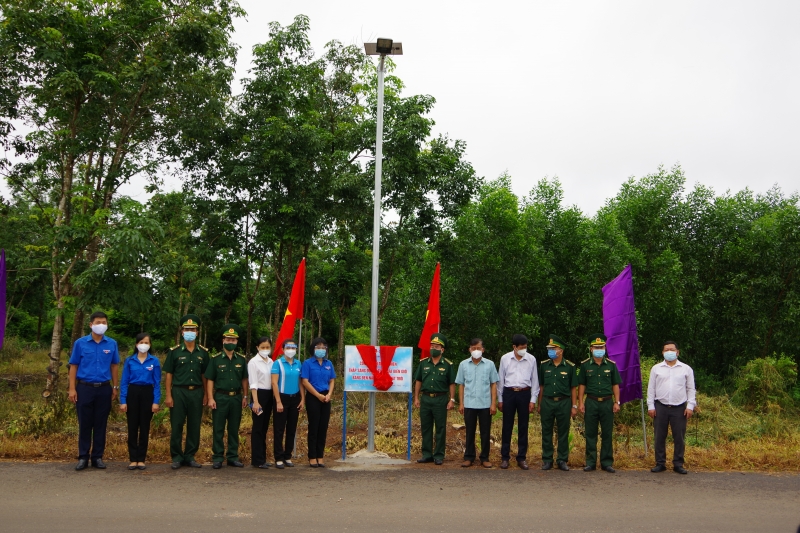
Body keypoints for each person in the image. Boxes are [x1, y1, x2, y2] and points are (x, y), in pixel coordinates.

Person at [68, 311, 120, 471]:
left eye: (104, 322)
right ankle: (83, 456)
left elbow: (114, 366)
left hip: (104, 388)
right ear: (91, 324)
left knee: (100, 424)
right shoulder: (80, 343)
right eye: (98, 322)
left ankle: (97, 457)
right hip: (84, 388)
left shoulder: (111, 344)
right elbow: (74, 366)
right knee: (85, 423)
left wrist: (115, 387)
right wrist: (72, 388)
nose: (101, 325)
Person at [163, 314, 209, 470]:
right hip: (178, 392)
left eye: (193, 329)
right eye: (187, 329)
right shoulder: (174, 352)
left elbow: (205, 375)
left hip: (196, 392)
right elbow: (169, 374)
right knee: (176, 425)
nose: (190, 331)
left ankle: (190, 456)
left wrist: (206, 395)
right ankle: (176, 456)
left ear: (197, 332)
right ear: (182, 332)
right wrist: (168, 395)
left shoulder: (203, 352)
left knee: (194, 425)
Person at [647, 340, 696, 475]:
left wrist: (690, 406)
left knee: (679, 437)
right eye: (666, 350)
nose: (669, 352)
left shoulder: (686, 369)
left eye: (672, 350)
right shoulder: (656, 368)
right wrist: (651, 406)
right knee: (659, 436)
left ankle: (678, 463)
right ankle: (660, 463)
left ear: (677, 352)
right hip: (660, 406)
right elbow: (651, 389)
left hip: (679, 407)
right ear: (662, 353)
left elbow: (691, 389)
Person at [206, 324, 249, 469]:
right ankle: (217, 457)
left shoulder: (241, 360)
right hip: (220, 397)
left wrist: (245, 396)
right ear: (223, 340)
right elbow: (210, 379)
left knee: (233, 429)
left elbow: (244, 379)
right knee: (218, 428)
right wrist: (211, 398)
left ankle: (232, 456)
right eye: (228, 339)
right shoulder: (216, 359)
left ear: (237, 342)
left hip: (236, 398)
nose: (231, 342)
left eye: (233, 340)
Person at [578, 334, 621, 473]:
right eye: (596, 347)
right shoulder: (585, 365)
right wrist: (580, 402)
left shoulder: (611, 365)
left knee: (607, 433)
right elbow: (582, 385)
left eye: (601, 347)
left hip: (607, 402)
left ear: (605, 348)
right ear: (591, 349)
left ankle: (606, 462)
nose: (599, 349)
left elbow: (615, 385)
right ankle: (590, 462)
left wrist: (617, 402)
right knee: (590, 433)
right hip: (591, 402)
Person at [497, 333, 539, 470]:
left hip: (524, 393)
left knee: (523, 426)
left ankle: (521, 458)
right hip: (509, 393)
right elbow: (500, 380)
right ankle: (505, 458)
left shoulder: (531, 359)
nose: (523, 349)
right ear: (514, 347)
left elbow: (535, 381)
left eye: (525, 347)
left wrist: (533, 400)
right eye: (521, 347)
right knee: (507, 426)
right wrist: (500, 399)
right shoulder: (505, 359)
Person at [119, 332, 161, 470]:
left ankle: (141, 459)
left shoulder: (154, 361)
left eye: (146, 342)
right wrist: (123, 400)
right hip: (133, 393)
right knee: (132, 427)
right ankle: (133, 459)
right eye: (141, 342)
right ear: (136, 344)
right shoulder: (130, 360)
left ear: (150, 345)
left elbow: (157, 383)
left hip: (147, 393)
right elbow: (124, 381)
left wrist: (156, 401)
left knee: (144, 427)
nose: (144, 345)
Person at [455, 338, 498, 468]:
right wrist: (461, 403)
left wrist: (493, 403)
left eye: (478, 348)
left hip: (485, 404)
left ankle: (484, 458)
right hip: (469, 403)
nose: (476, 351)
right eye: (473, 348)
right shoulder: (463, 364)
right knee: (470, 431)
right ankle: (469, 457)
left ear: (483, 350)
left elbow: (493, 384)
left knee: (485, 432)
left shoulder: (490, 364)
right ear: (469, 349)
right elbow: (461, 385)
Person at [537, 334, 578, 471]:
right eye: (549, 348)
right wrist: (540, 403)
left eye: (553, 348)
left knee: (563, 432)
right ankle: (547, 459)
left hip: (564, 402)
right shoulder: (544, 365)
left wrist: (574, 405)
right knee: (546, 431)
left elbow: (573, 388)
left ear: (561, 350)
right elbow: (541, 386)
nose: (551, 351)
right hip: (547, 402)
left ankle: (562, 460)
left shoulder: (570, 366)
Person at [413, 333, 456, 465]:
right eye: (432, 346)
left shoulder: (447, 365)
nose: (433, 348)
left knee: (440, 428)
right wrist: (416, 397)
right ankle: (427, 454)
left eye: (436, 346)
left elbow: (451, 383)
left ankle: (438, 455)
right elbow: (418, 381)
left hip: (440, 400)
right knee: (426, 427)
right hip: (425, 399)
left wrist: (452, 399)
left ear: (442, 349)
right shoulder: (423, 363)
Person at [301, 337, 337, 467]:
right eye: (318, 347)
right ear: (313, 348)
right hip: (313, 397)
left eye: (323, 347)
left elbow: (332, 380)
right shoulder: (308, 363)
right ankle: (312, 456)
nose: (321, 349)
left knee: (323, 427)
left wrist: (329, 394)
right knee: (314, 427)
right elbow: (305, 381)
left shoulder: (329, 364)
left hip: (326, 397)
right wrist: (317, 395)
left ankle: (320, 455)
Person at [271, 338, 304, 469]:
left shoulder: (298, 363)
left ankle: (287, 456)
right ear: (283, 349)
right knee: (279, 429)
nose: (291, 350)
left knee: (291, 429)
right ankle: (278, 457)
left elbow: (301, 382)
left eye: (293, 348)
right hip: (281, 398)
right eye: (288, 348)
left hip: (295, 398)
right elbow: (274, 383)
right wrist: (278, 401)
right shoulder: (277, 363)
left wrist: (303, 399)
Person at [248, 336, 274, 469]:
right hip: (258, 396)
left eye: (267, 347)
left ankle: (263, 458)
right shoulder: (253, 362)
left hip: (269, 396)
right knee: (258, 428)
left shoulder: (271, 361)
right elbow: (253, 383)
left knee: (264, 428)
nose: (265, 349)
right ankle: (257, 460)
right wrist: (256, 402)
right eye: (262, 347)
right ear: (257, 348)